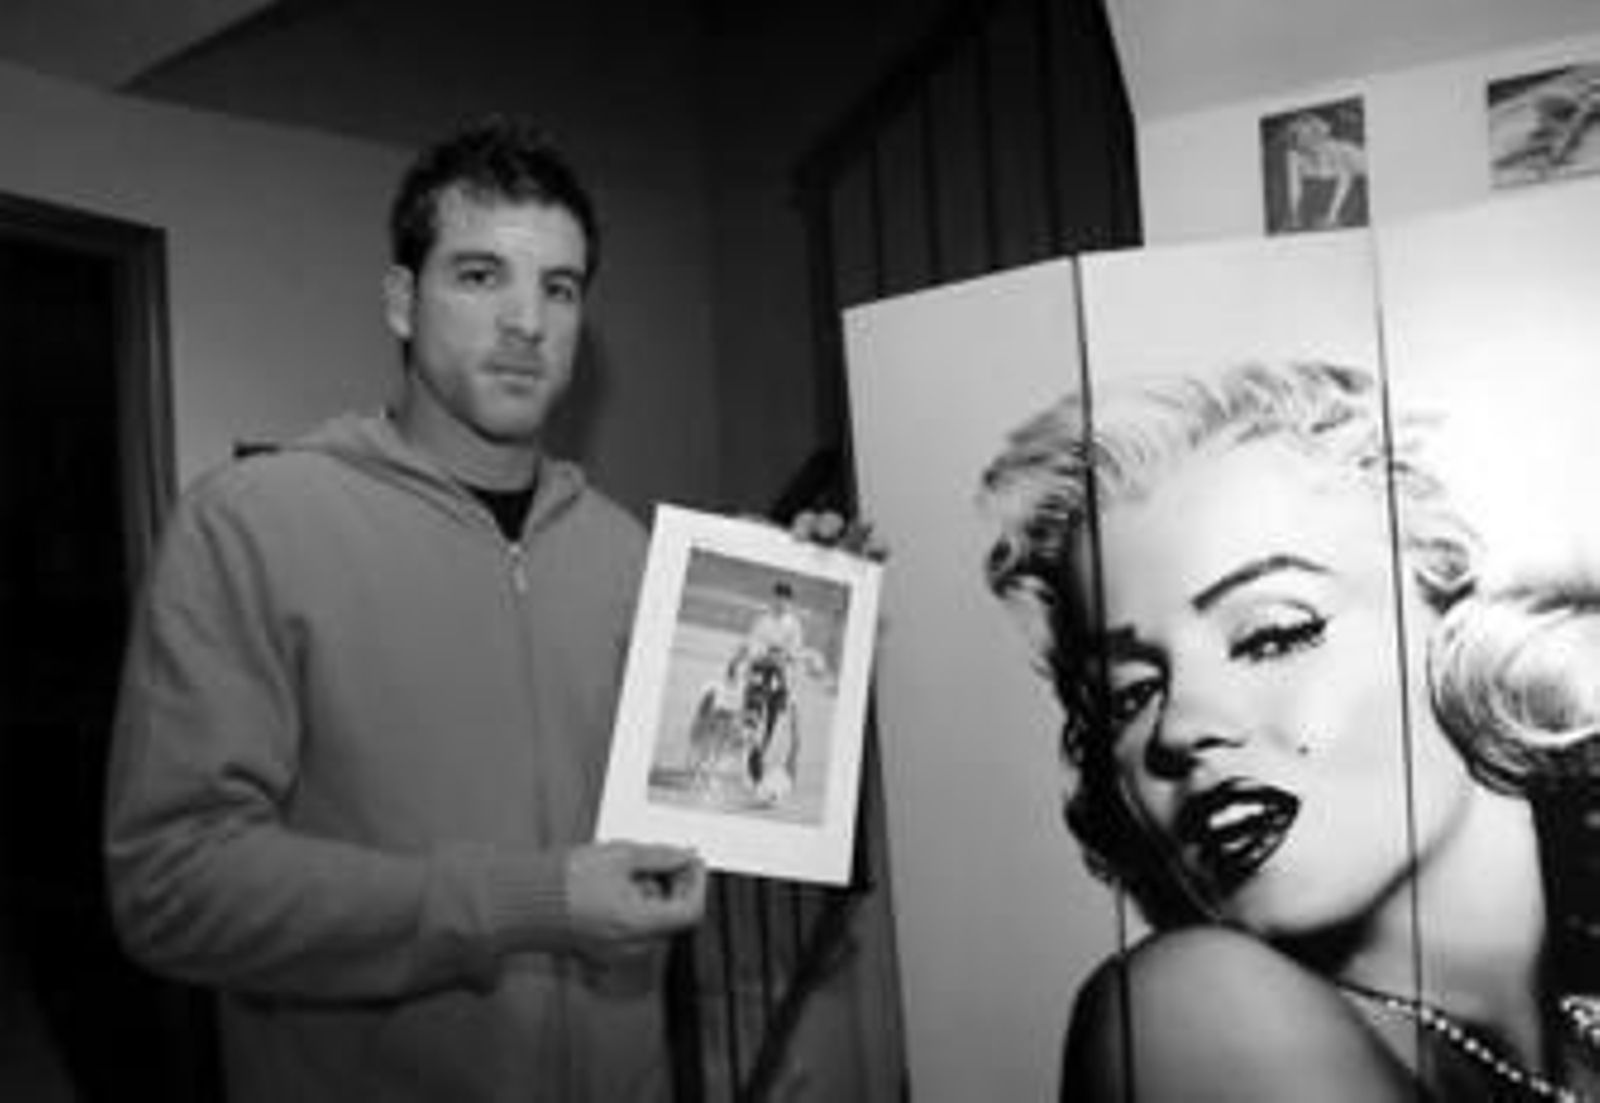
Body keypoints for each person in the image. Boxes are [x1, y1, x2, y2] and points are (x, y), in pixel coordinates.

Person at [104, 116, 857, 1102]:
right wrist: (525, 901)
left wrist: (791, 595)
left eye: (559, 287)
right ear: (400, 300)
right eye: (478, 274)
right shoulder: (248, 523)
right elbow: (172, 887)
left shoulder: (627, 552)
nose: (525, 321)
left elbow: (714, 797)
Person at [979, 359, 1600, 1101]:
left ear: (1466, 630)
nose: (1177, 728)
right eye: (1128, 694)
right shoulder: (1193, 1010)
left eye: (1273, 634)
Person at [1281, 111, 1367, 232]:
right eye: (1300, 137)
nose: (1308, 143)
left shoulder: (1335, 149)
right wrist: (1294, 216)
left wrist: (1332, 216)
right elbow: (1294, 186)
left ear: (1320, 136)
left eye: (1312, 137)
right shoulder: (1293, 155)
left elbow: (1345, 181)